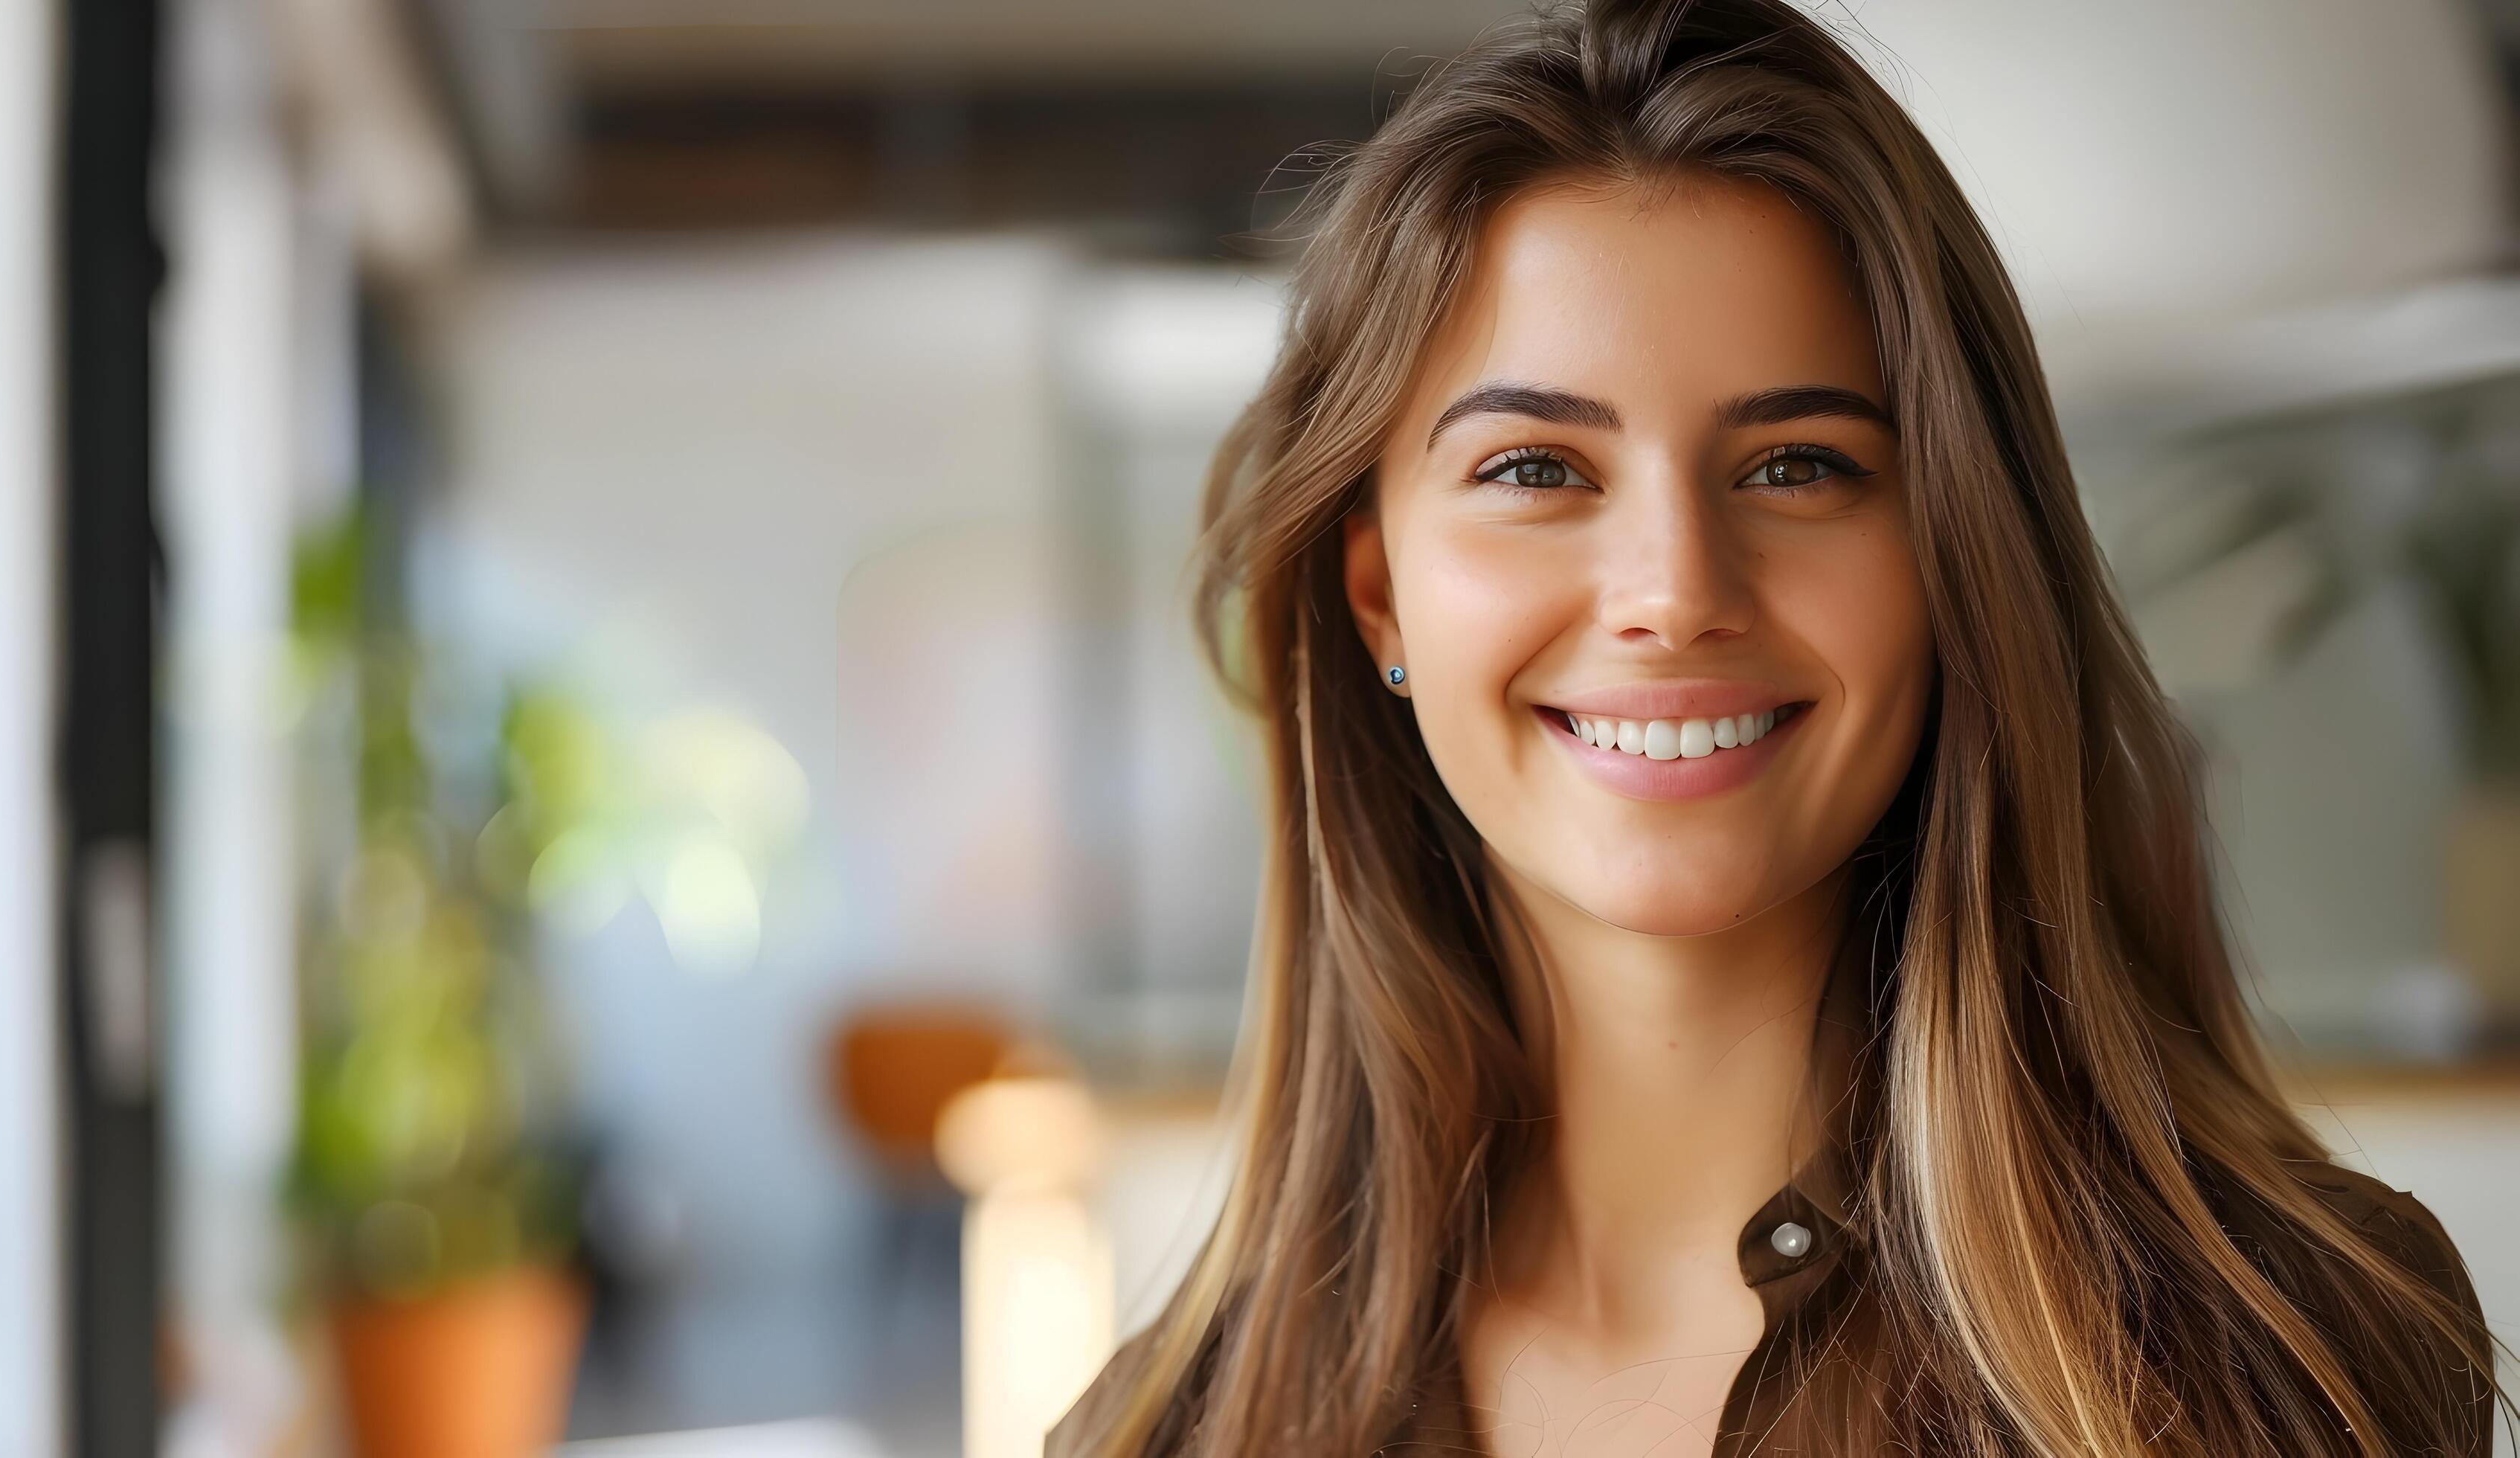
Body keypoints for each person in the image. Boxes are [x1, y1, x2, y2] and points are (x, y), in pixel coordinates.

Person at [1049, 1, 2508, 1453]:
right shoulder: (1166, 1432)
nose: (1676, 593)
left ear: (1955, 557)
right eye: (1539, 465)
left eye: (1798, 464)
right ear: (1378, 595)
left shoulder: (2293, 1345)